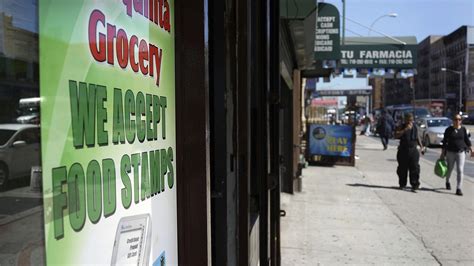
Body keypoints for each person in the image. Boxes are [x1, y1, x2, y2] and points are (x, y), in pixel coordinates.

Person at [440, 113, 472, 196]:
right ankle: (447, 181)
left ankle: (458, 188)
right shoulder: (448, 130)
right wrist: (442, 154)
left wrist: (472, 149)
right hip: (450, 152)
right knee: (450, 169)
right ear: (453, 121)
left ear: (461, 121)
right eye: (455, 119)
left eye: (459, 119)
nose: (457, 121)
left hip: (461, 152)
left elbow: (467, 140)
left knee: (460, 170)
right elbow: (444, 142)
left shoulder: (463, 129)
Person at [394, 113, 424, 191]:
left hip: (413, 149)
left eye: (411, 120)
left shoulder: (415, 127)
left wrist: (421, 146)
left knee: (415, 167)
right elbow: (396, 135)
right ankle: (402, 184)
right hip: (403, 150)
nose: (410, 122)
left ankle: (414, 184)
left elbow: (417, 136)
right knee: (402, 168)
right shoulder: (402, 126)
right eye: (408, 120)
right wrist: (405, 130)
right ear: (405, 120)